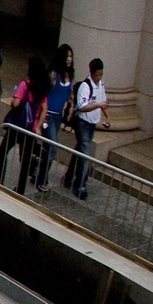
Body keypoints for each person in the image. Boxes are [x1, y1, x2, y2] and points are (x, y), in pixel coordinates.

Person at [0, 55, 48, 186]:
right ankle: (20, 188)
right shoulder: (41, 90)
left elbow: (16, 103)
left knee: (3, 150)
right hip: (30, 129)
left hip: (17, 126)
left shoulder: (24, 85)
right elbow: (44, 109)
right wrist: (38, 126)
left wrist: (14, 99)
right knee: (25, 159)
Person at [66, 58, 108, 196]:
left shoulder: (100, 84)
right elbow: (83, 107)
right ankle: (80, 185)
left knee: (80, 149)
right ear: (91, 73)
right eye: (97, 75)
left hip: (92, 123)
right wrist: (98, 106)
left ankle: (68, 177)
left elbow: (102, 101)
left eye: (101, 74)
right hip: (83, 123)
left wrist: (105, 113)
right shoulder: (85, 86)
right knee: (85, 153)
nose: (99, 77)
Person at [35, 45, 75, 192]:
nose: (69, 59)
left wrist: (70, 107)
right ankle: (41, 178)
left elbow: (70, 94)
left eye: (71, 56)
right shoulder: (53, 74)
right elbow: (44, 93)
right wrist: (42, 114)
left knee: (48, 148)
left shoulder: (69, 75)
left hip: (59, 116)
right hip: (49, 115)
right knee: (52, 147)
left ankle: (37, 171)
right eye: (67, 56)